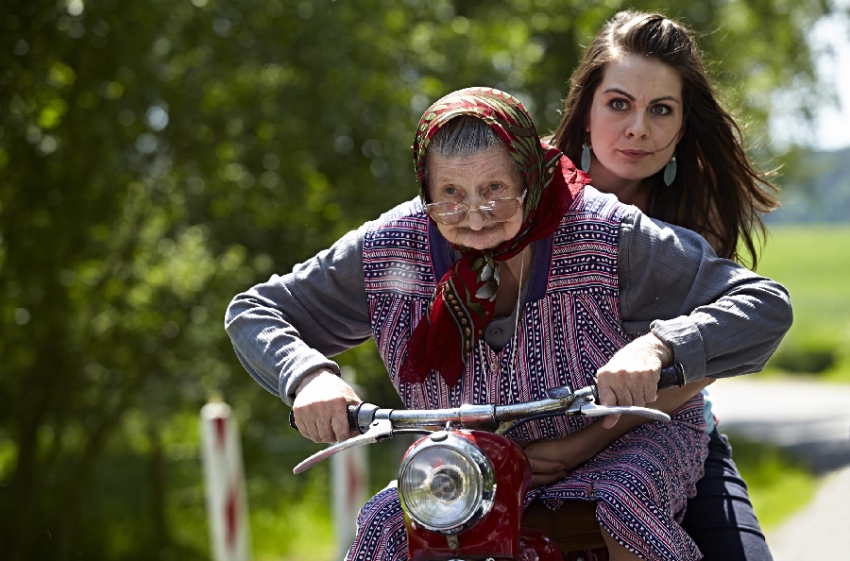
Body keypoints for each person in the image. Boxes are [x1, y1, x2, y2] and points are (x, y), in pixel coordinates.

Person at [225, 87, 792, 561]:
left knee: (621, 508)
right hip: (464, 464)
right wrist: (307, 376)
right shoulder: (388, 248)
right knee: (383, 530)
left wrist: (657, 348)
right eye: (450, 194)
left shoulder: (607, 233)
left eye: (495, 190)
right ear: (425, 188)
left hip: (624, 442)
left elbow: (763, 302)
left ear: (529, 175)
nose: (474, 216)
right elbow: (254, 310)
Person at [545, 10, 781, 560]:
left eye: (661, 109)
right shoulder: (526, 184)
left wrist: (582, 444)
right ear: (586, 111)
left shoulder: (698, 206)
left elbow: (709, 356)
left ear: (681, 125)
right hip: (538, 428)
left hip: (670, 425)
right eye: (619, 103)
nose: (638, 128)